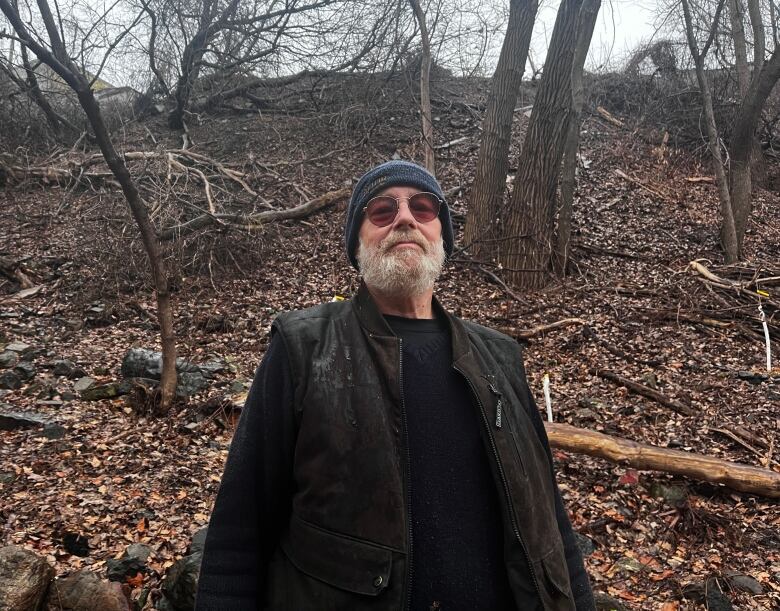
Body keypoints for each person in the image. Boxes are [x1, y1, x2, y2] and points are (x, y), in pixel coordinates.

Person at [196, 160, 595, 611]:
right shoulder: (303, 347)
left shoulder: (500, 357)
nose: (405, 218)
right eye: (382, 211)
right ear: (357, 243)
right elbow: (240, 526)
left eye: (423, 208)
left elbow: (547, 518)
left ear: (441, 236)